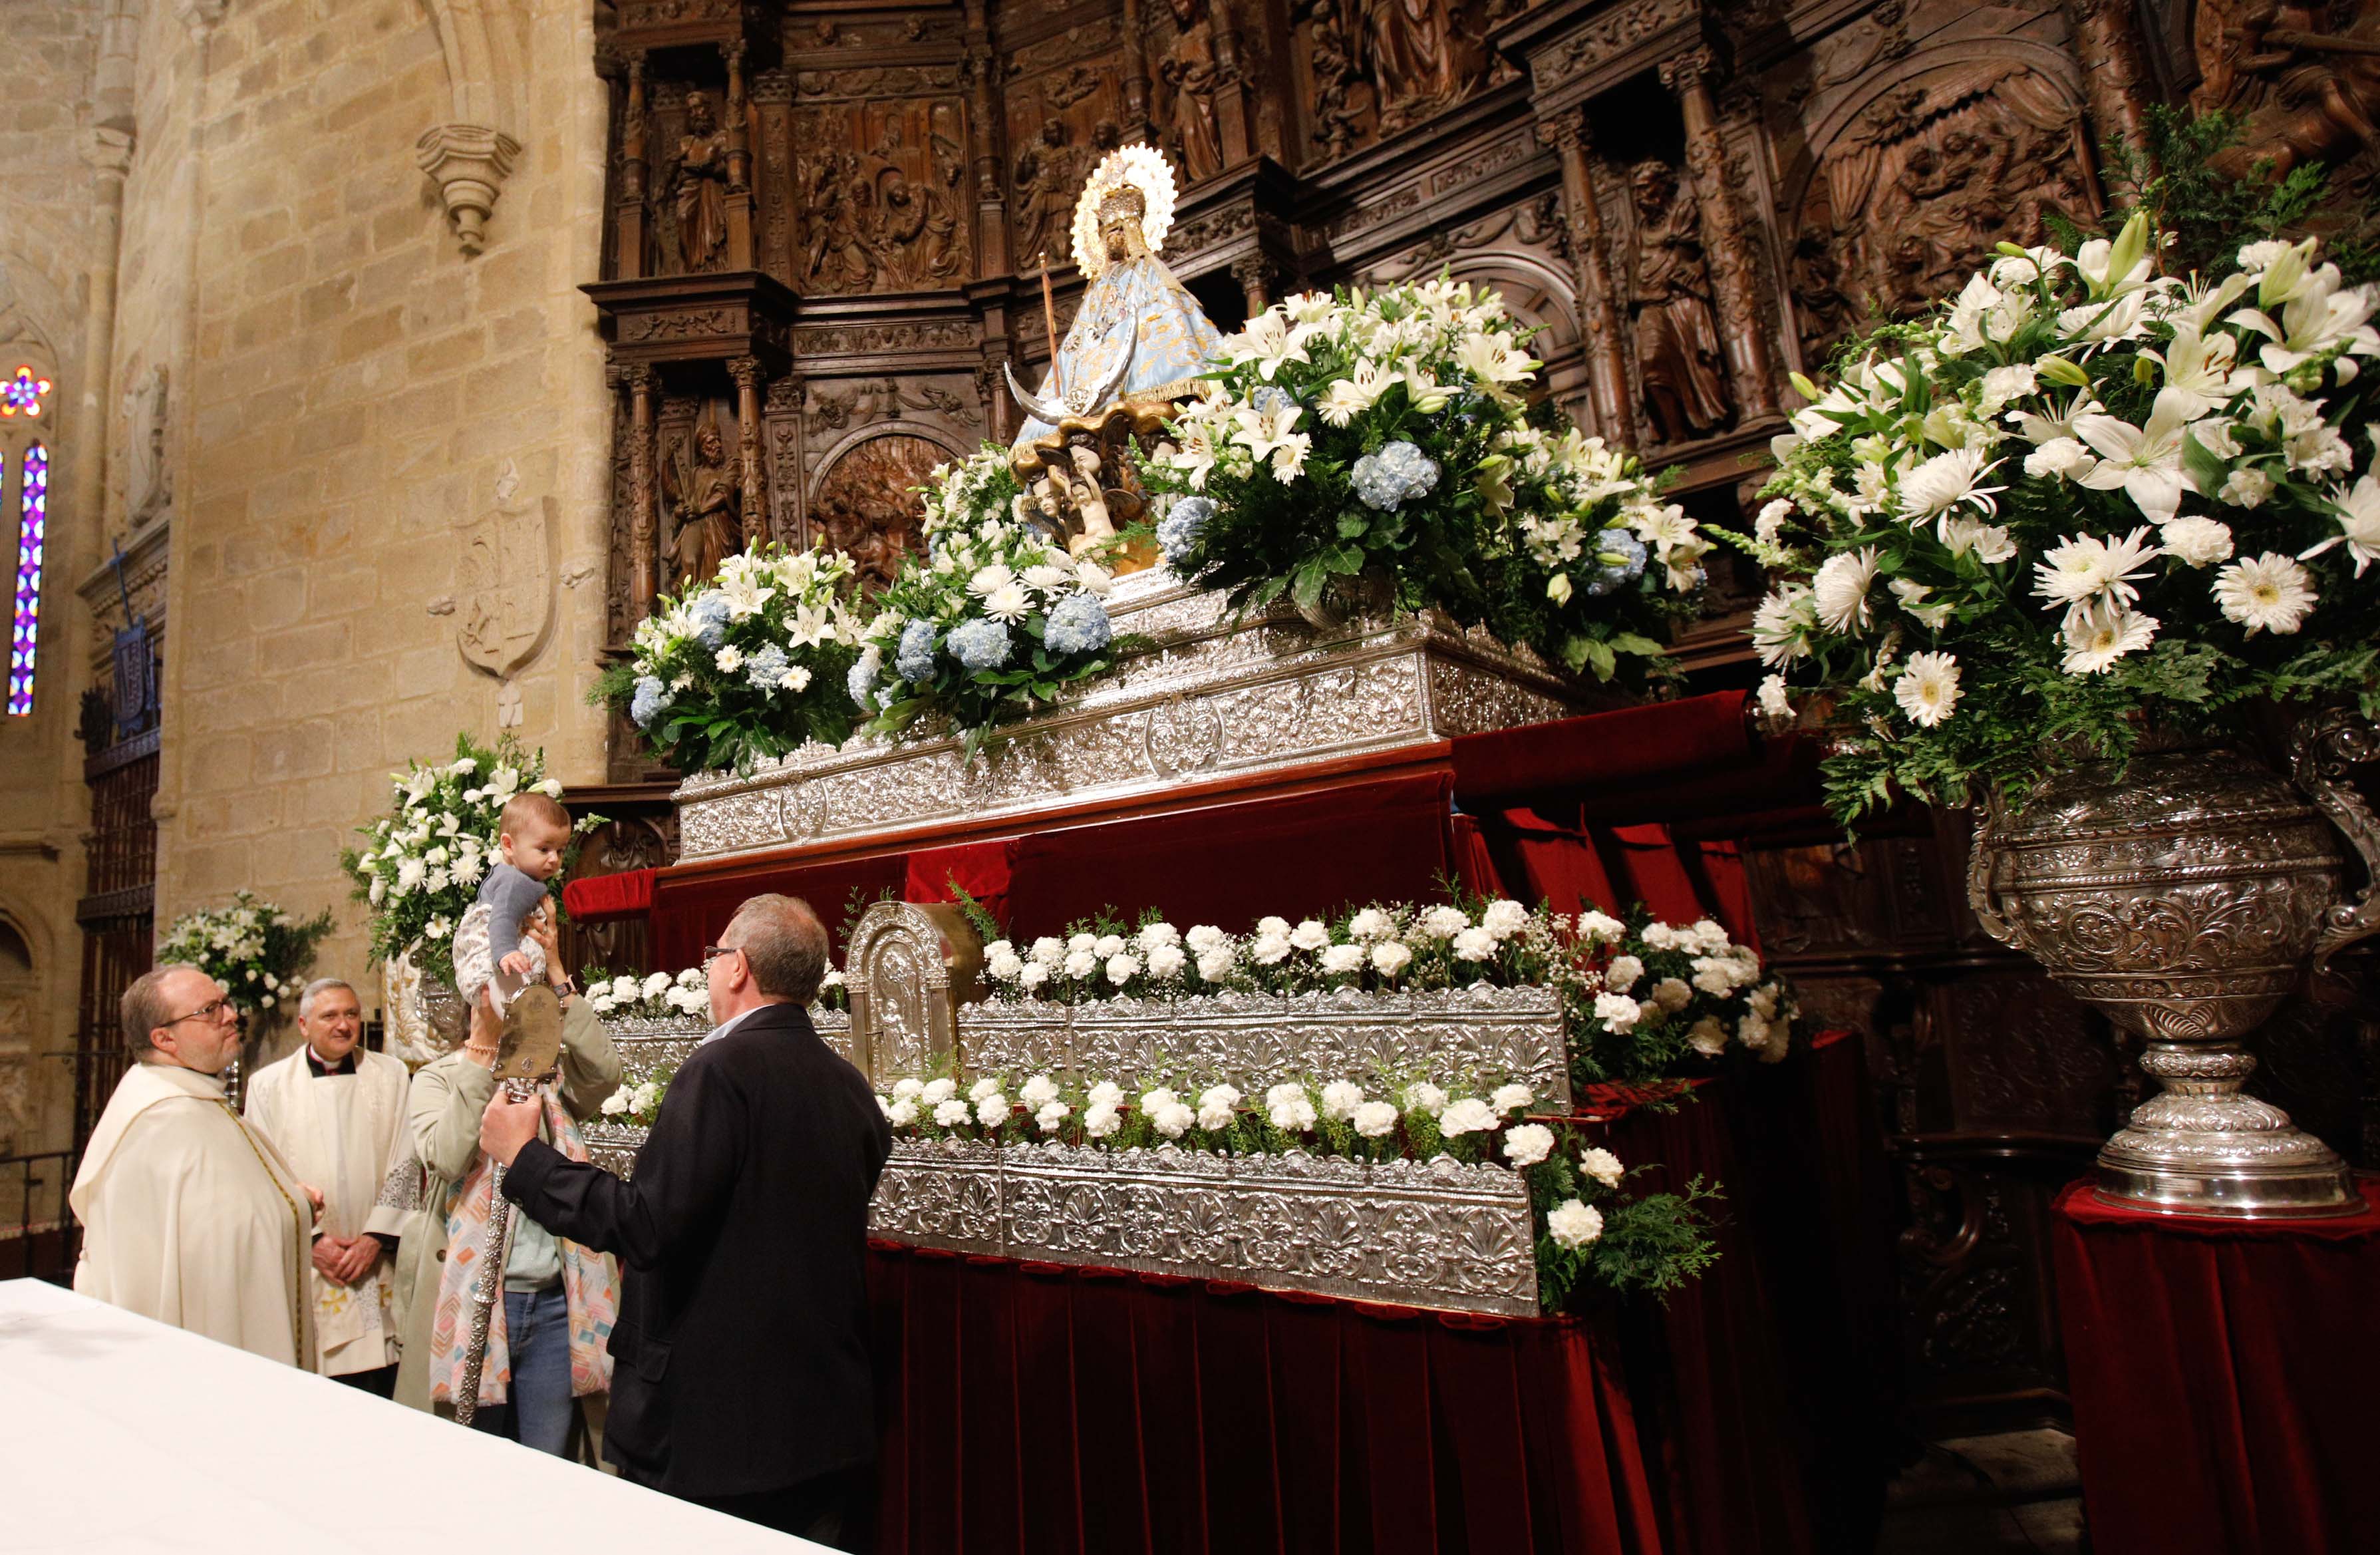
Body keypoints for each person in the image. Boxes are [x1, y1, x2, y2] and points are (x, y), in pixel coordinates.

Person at [480, 894, 891, 1550]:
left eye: (716, 954)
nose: (708, 969)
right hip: (823, 1421)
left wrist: (526, 1160)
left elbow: (646, 1227)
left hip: (717, 1428)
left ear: (738, 968)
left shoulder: (722, 1069)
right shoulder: (848, 1086)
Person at [394, 906, 621, 1457]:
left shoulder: (550, 1076)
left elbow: (608, 1075)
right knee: (470, 1466)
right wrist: (480, 1050)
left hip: (550, 1306)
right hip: (477, 1303)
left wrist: (562, 977)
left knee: (548, 1466)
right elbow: (448, 1156)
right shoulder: (438, 1078)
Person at [70, 963, 318, 1369]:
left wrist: (293, 1202)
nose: (231, 1014)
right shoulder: (159, 1122)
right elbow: (188, 1257)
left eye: (225, 1003)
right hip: (204, 1351)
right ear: (164, 1038)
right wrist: (292, 1205)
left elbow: (223, 1212)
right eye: (209, 1011)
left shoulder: (195, 1100)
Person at [242, 977, 420, 1397]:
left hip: (376, 1259)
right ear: (304, 1025)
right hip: (311, 1260)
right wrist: (314, 1240)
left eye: (351, 1014)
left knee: (383, 1384)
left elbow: (407, 1159)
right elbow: (262, 1173)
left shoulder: (391, 1074)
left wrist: (375, 1239)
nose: (343, 1025)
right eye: (330, 1016)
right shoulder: (268, 1086)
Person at [466, 790, 573, 1010]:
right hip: (499, 969)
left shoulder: (514, 876)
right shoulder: (515, 882)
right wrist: (507, 951)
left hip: (498, 972)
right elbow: (503, 916)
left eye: (560, 850)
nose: (554, 859)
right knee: (518, 1016)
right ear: (508, 845)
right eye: (544, 849)